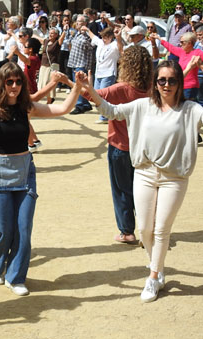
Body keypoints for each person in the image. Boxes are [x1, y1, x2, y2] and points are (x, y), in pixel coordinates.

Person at [0, 60, 85, 296]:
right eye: (9, 82)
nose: (14, 86)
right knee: (1, 231)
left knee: (23, 230)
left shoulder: (26, 107)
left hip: (25, 172)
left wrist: (77, 87)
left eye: (18, 82)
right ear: (1, 83)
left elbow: (62, 110)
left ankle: (16, 276)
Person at [84, 60, 203, 302]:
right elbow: (111, 111)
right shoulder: (142, 106)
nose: (166, 85)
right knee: (144, 229)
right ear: (155, 83)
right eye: (162, 80)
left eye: (172, 80)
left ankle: (153, 276)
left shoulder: (192, 110)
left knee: (161, 229)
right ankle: (157, 266)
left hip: (174, 178)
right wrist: (91, 91)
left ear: (180, 83)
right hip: (145, 173)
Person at [62, 46, 153, 243]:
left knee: (122, 190)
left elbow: (91, 95)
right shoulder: (152, 90)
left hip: (120, 147)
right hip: (145, 148)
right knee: (144, 189)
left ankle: (127, 231)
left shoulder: (121, 89)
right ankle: (149, 229)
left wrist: (68, 82)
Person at [83, 26, 120, 124]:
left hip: (109, 73)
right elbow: (93, 37)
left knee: (104, 95)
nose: (103, 39)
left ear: (111, 37)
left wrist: (119, 36)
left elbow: (121, 47)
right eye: (103, 37)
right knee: (96, 94)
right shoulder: (100, 42)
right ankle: (106, 114)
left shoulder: (114, 45)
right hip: (98, 73)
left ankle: (105, 117)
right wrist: (87, 29)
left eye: (106, 37)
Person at [153, 32, 203, 101]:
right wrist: (159, 38)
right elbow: (171, 47)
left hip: (190, 87)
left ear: (189, 43)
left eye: (182, 42)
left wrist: (200, 65)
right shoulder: (182, 51)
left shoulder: (198, 52)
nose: (180, 44)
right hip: (180, 85)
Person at [67, 15, 93, 114]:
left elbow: (91, 47)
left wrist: (88, 66)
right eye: (77, 21)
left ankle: (80, 106)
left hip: (82, 63)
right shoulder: (76, 34)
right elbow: (69, 43)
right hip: (74, 62)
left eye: (79, 22)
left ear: (85, 23)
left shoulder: (87, 35)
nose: (77, 23)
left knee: (78, 85)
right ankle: (85, 104)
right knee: (78, 84)